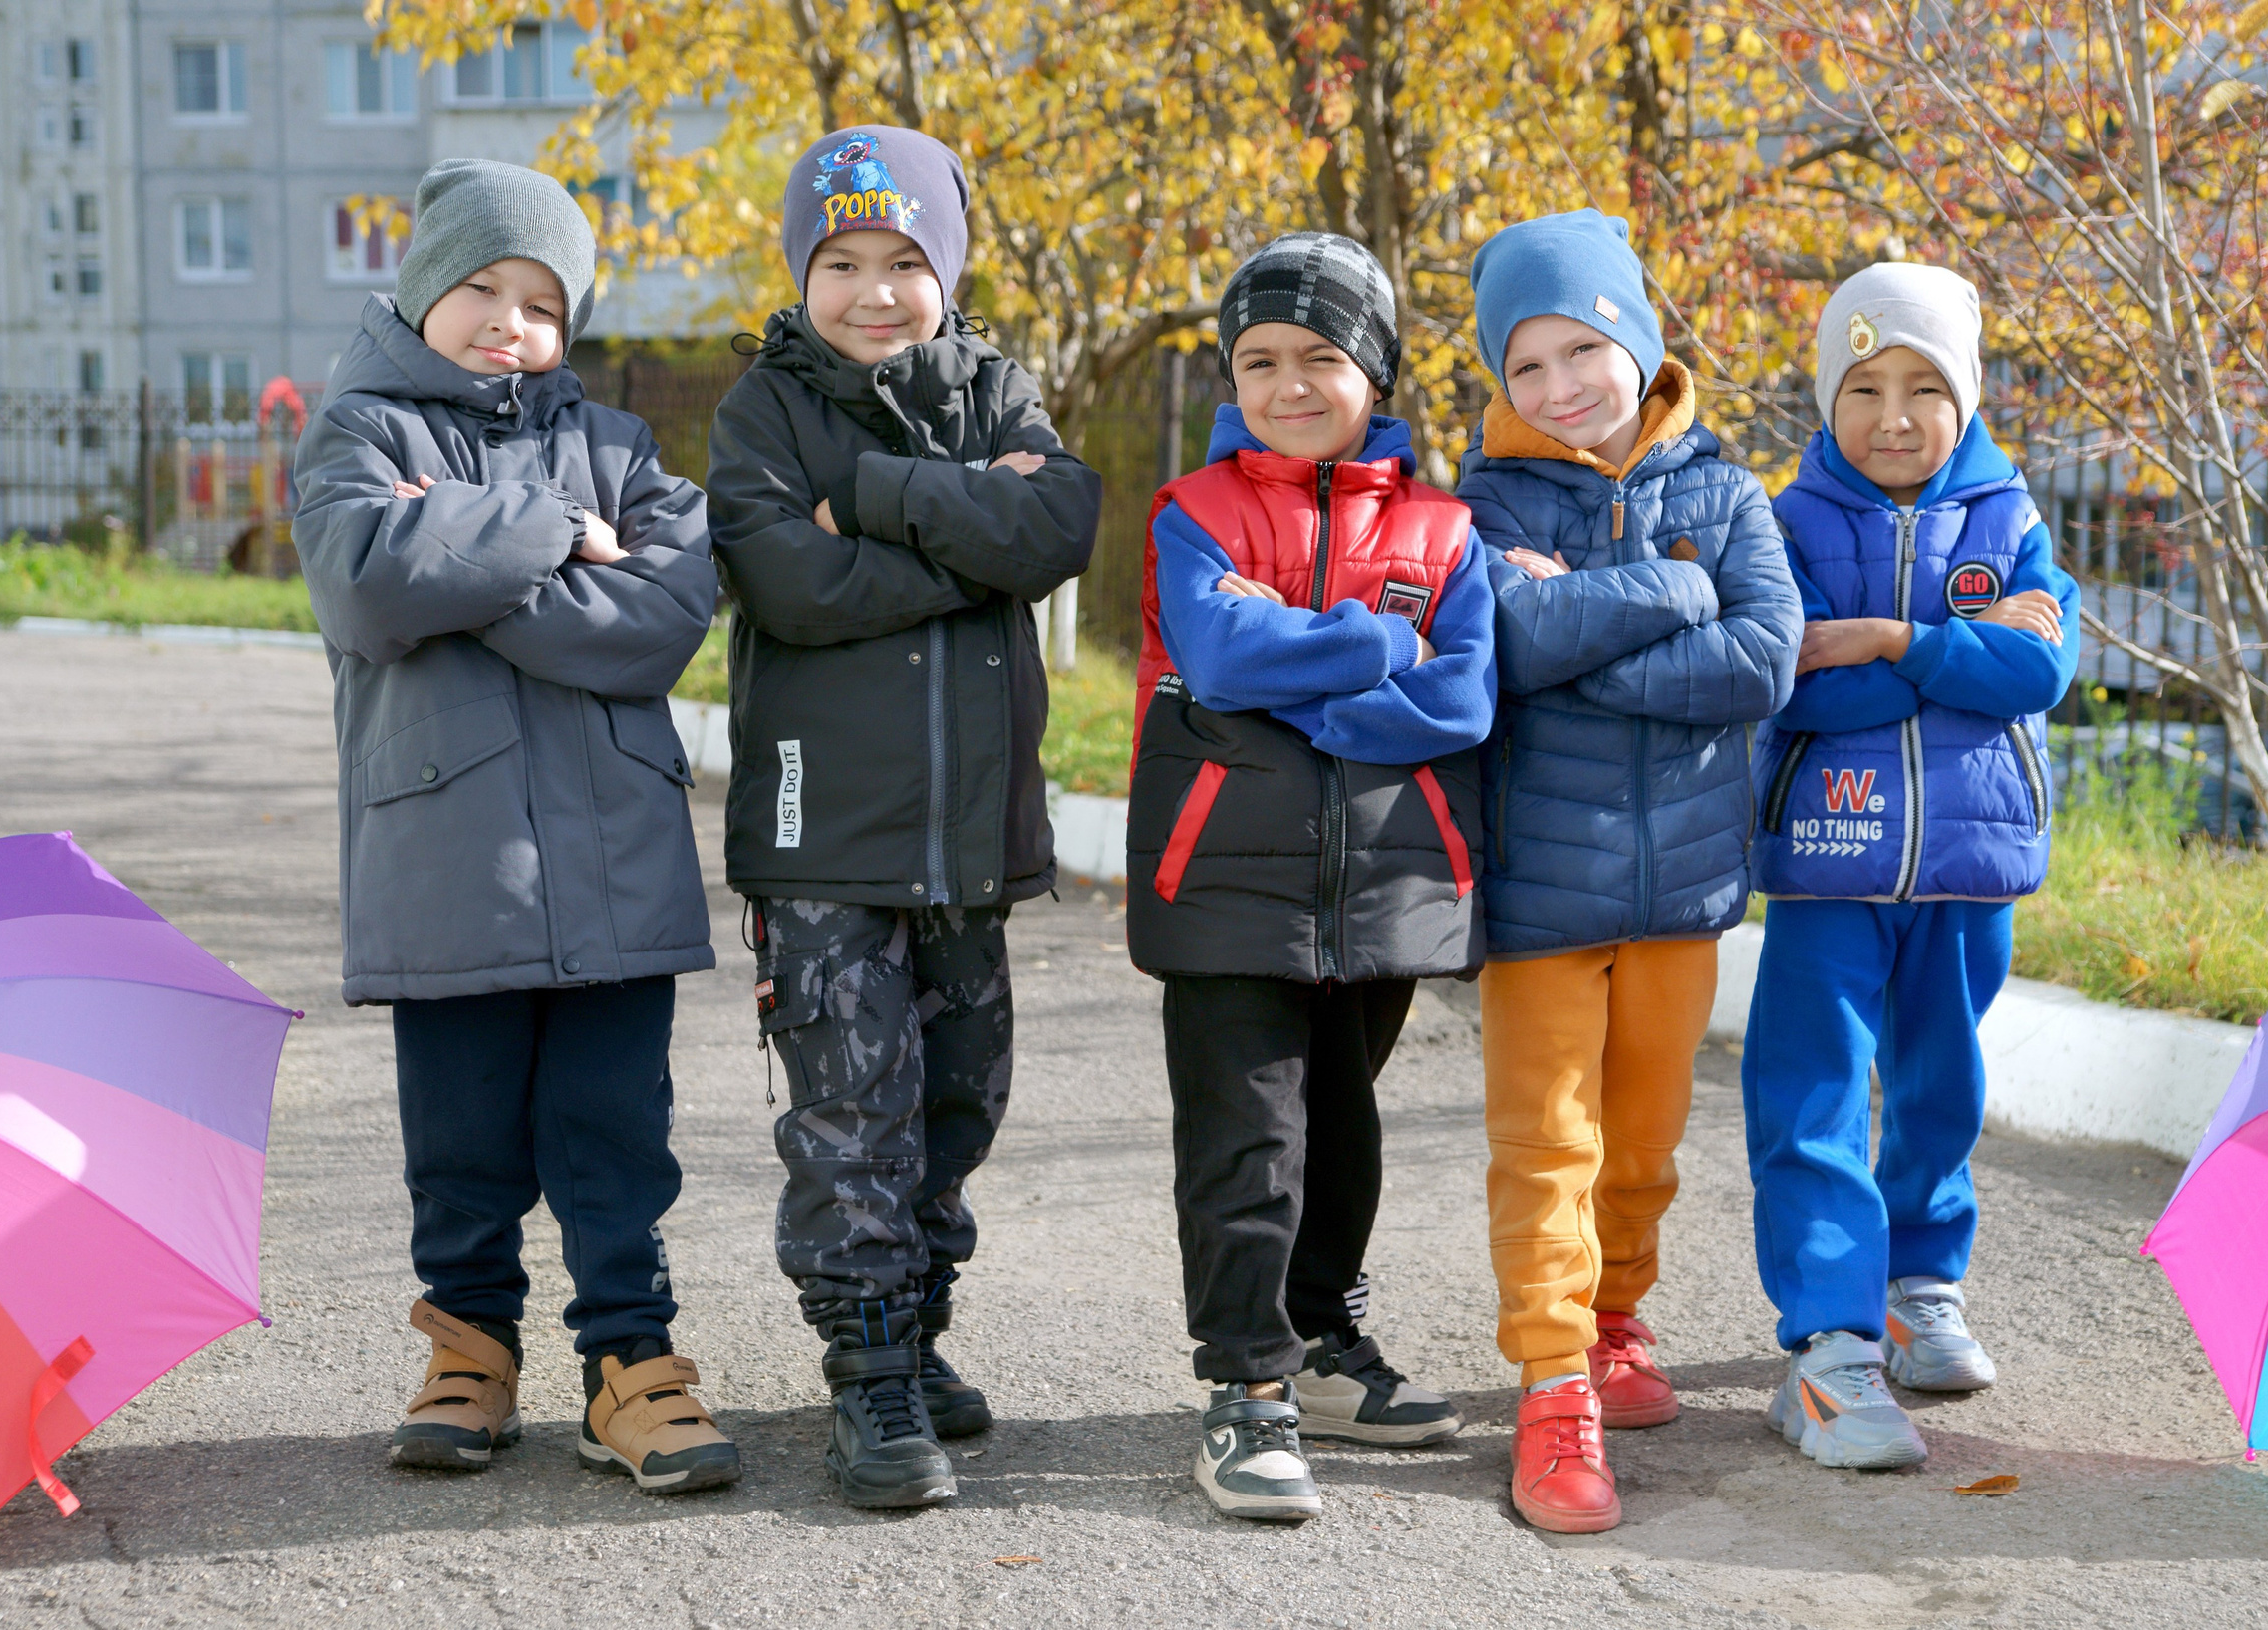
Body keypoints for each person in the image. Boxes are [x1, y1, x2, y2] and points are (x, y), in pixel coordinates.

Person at [294, 159, 736, 1494]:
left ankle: (630, 1360)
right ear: (426, 285)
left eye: (541, 299)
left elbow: (661, 618)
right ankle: (470, 1347)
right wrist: (552, 529)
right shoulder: (355, 437)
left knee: (616, 1135)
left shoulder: (626, 447)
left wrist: (470, 563)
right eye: (482, 285)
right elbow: (368, 591)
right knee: (464, 1141)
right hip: (447, 864)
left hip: (615, 860)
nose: (509, 318)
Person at [706, 125, 1103, 1510]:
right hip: (827, 838)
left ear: (948, 268)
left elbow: (1053, 531)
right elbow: (793, 586)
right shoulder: (763, 410)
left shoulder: (1001, 389)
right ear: (801, 272)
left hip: (968, 844)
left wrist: (873, 500)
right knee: (847, 1109)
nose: (875, 292)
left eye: (904, 262)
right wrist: (962, 550)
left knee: (955, 1096)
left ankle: (922, 1332)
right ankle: (868, 1378)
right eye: (842, 263)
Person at [1128, 232, 1496, 1523]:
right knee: (1248, 1140)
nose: (1290, 381)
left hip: (1387, 885)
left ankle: (1324, 1346)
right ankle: (1245, 1391)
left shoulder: (1448, 527)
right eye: (1260, 358)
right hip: (1224, 877)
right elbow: (1221, 659)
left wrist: (1321, 690)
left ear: (1375, 369)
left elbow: (1461, 696)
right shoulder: (1195, 512)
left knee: (1341, 1135)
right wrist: (1380, 636)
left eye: (1322, 356)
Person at [1457, 210, 1801, 1533]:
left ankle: (1613, 1318)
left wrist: (1587, 631)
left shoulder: (1727, 495)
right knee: (1547, 1148)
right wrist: (1672, 591)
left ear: (1639, 344)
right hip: (1538, 893)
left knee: (1644, 1142)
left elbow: (1764, 660)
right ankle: (1553, 1394)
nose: (1558, 389)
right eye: (1526, 365)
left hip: (1687, 891)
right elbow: (1502, 642)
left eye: (1582, 349)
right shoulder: (1480, 502)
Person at [1744, 262, 2077, 1470]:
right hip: (1828, 859)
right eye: (1864, 385)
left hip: (1970, 862)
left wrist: (1887, 639)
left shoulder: (2012, 520)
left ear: (1967, 395)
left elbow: (2036, 675)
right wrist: (1953, 661)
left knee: (1940, 1085)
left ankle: (1919, 1284)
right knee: (1814, 1095)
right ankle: (1827, 1345)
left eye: (1924, 387)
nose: (1893, 416)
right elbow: (1782, 682)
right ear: (1827, 396)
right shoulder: (1779, 526)